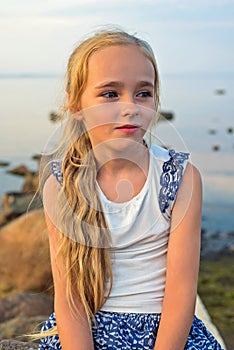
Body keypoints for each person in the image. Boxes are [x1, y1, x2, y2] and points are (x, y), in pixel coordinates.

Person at [38, 28, 223, 350]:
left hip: (166, 333)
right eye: (110, 94)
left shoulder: (179, 179)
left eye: (143, 93)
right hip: (89, 331)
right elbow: (70, 300)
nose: (131, 107)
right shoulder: (61, 186)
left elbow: (181, 294)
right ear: (75, 103)